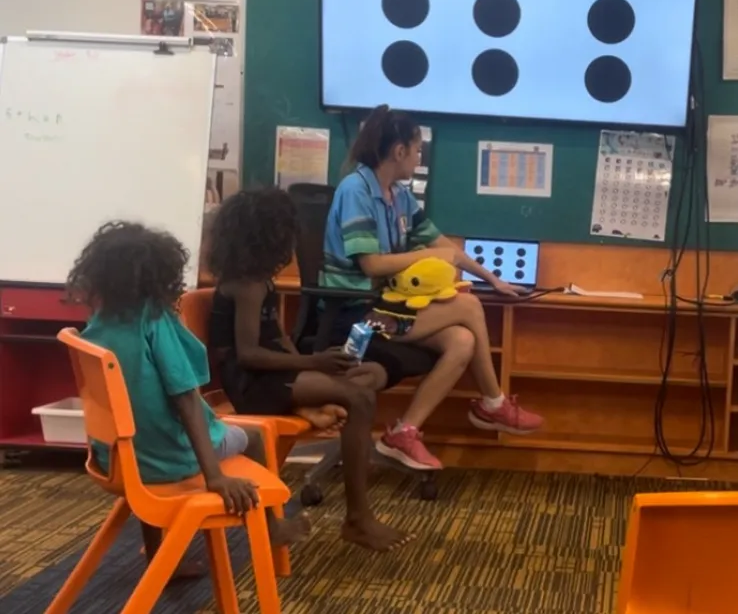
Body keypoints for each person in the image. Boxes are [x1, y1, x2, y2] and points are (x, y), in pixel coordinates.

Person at [66, 222, 311, 578]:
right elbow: (186, 402)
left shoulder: (97, 324)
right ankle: (273, 530)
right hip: (165, 462)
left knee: (159, 429)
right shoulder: (155, 321)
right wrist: (215, 477)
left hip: (119, 460)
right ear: (158, 278)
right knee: (256, 436)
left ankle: (160, 555)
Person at [322, 106, 543, 471]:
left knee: (463, 341)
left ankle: (403, 433)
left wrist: (492, 279)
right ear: (399, 151)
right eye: (417, 149)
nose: (419, 156)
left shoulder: (401, 196)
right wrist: (428, 255)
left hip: (388, 307)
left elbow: (447, 249)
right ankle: (494, 404)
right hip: (354, 314)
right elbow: (371, 265)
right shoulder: (355, 190)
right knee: (469, 309)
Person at [205, 188, 411, 552]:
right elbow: (249, 355)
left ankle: (308, 408)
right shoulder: (248, 284)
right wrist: (311, 363)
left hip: (268, 375)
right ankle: (358, 519)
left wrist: (315, 364)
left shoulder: (258, 278)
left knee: (358, 378)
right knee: (359, 397)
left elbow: (276, 338)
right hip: (250, 383)